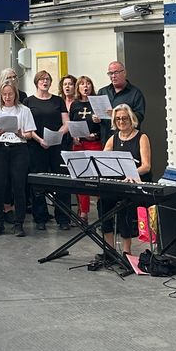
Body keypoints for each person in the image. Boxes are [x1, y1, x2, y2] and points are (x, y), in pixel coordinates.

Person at [96, 105, 151, 264]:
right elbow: (103, 159)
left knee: (124, 207)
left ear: (131, 119)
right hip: (118, 181)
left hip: (135, 182)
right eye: (118, 119)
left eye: (124, 118)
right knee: (103, 204)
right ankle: (110, 250)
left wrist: (131, 174)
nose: (121, 121)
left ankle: (127, 251)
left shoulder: (142, 137)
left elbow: (146, 166)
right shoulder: (114, 138)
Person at [0, 82, 37, 236]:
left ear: (15, 94)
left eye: (10, 94)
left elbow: (29, 133)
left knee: (18, 186)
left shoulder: (24, 110)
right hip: (0, 148)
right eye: (4, 94)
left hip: (19, 149)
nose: (7, 97)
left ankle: (18, 223)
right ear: (1, 96)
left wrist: (23, 135)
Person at [25, 70, 70, 229]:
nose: (45, 82)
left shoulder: (58, 100)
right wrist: (40, 139)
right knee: (38, 182)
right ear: (36, 82)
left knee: (61, 181)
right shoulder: (28, 101)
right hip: (37, 146)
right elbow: (26, 127)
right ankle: (40, 218)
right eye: (42, 79)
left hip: (57, 145)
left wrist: (57, 135)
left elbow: (66, 123)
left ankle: (63, 218)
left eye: (48, 79)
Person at [68, 75, 103, 218]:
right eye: (82, 84)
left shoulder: (96, 103)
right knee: (81, 178)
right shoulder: (75, 105)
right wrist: (74, 136)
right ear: (78, 88)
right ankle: (83, 212)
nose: (85, 86)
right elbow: (71, 123)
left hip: (94, 143)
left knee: (97, 177)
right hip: (79, 144)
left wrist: (97, 128)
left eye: (88, 83)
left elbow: (106, 125)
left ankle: (102, 211)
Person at [100, 62, 146, 139]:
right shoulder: (103, 92)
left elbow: (139, 117)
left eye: (116, 72)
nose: (113, 76)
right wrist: (96, 118)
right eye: (110, 73)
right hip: (106, 137)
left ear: (124, 73)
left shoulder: (135, 93)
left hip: (127, 138)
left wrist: (116, 115)